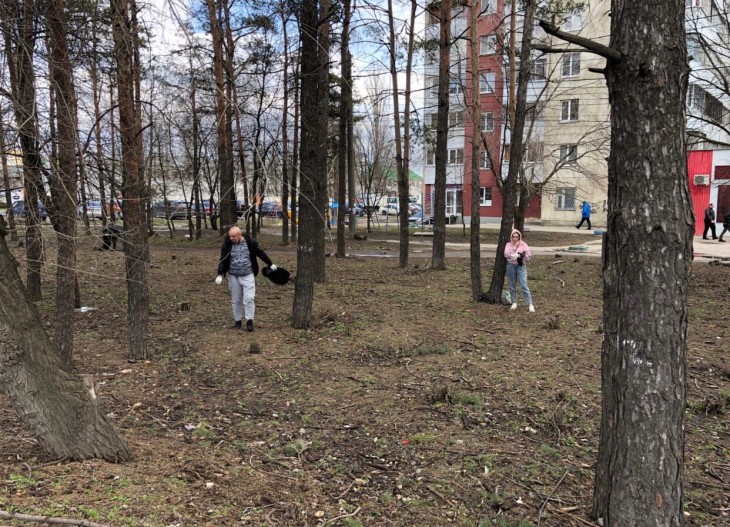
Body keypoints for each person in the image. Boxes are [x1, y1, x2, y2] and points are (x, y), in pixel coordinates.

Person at [215, 226, 276, 331]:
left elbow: (260, 252)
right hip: (233, 275)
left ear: (240, 235)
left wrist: (269, 263)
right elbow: (223, 258)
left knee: (249, 299)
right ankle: (237, 321)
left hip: (247, 274)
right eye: (230, 236)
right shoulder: (228, 243)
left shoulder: (250, 242)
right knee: (236, 299)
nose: (232, 238)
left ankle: (249, 321)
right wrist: (220, 273)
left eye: (234, 236)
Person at [504, 229, 535, 313]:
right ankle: (514, 302)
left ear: (519, 237)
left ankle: (530, 304)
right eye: (513, 237)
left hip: (521, 266)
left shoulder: (523, 244)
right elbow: (506, 254)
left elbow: (528, 255)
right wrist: (513, 254)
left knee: (523, 284)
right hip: (511, 266)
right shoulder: (508, 244)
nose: (514, 239)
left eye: (516, 237)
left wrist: (521, 256)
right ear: (511, 237)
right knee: (512, 285)